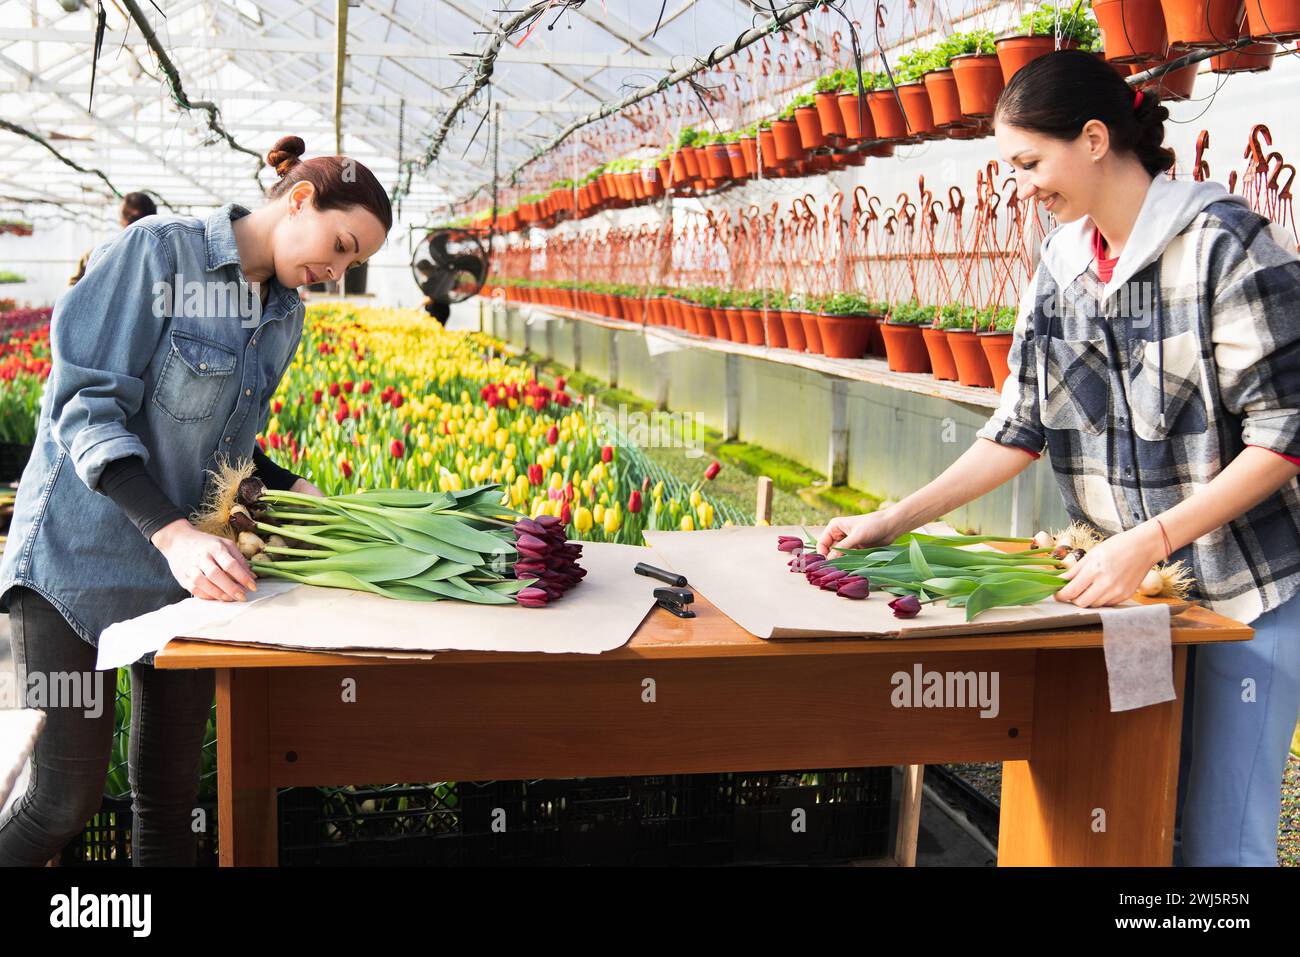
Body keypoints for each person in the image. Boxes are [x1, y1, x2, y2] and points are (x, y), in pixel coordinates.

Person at [818, 50, 1300, 866]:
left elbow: (1283, 437)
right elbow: (1017, 426)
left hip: (1244, 598)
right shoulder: (1061, 266)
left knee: (1221, 846)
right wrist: (891, 518)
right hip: (1133, 604)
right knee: (1132, 809)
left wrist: (1147, 541)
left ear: (1094, 137)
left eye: (1029, 162)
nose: (1022, 186)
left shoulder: (1226, 247)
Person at [0, 135, 391, 866]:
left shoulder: (283, 315)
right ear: (300, 199)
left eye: (352, 264)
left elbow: (226, 445)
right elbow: (85, 408)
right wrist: (175, 534)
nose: (336, 273)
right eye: (340, 246)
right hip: (74, 564)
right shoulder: (159, 254)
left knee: (170, 801)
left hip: (183, 581)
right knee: (62, 798)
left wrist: (290, 488)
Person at [67, 192, 158, 287]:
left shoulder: (99, 254)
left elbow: (72, 291)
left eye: (121, 216)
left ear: (126, 219)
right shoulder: (165, 255)